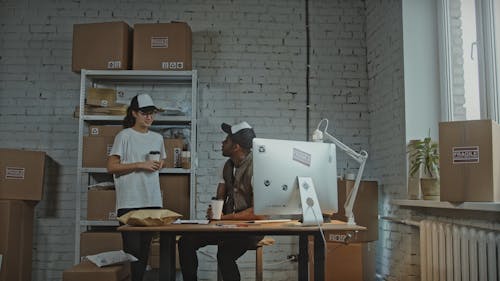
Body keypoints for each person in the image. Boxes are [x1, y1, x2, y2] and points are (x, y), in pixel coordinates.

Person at [178, 121, 266, 281]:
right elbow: (219, 196)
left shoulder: (258, 169)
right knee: (186, 241)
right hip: (227, 226)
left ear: (236, 146)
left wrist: (223, 218)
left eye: (226, 140)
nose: (222, 143)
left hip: (250, 231)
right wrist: (215, 210)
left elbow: (258, 213)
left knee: (225, 254)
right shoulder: (227, 166)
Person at [107, 93, 166, 281]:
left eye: (152, 113)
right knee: (132, 252)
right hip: (130, 201)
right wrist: (140, 164)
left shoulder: (157, 138)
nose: (149, 117)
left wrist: (159, 164)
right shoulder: (124, 136)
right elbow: (111, 167)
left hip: (151, 200)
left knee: (144, 250)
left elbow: (161, 159)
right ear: (134, 113)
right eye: (144, 113)